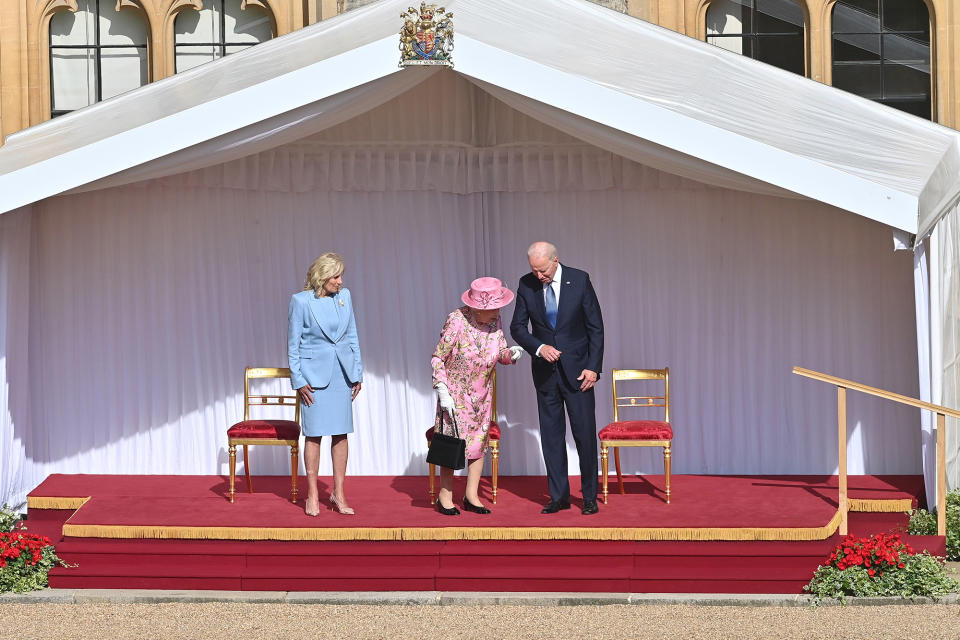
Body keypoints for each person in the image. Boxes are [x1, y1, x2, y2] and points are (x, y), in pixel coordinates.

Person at [510, 242, 604, 515]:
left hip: (579, 373)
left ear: (555, 261)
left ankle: (588, 497)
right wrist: (539, 348)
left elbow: (595, 327)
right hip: (545, 374)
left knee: (584, 436)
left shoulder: (580, 279)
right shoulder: (526, 284)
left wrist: (593, 368)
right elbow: (518, 326)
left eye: (542, 270)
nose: (539, 276)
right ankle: (559, 496)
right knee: (551, 437)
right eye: (534, 270)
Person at [431, 277, 524, 515]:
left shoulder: (495, 322)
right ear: (476, 308)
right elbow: (438, 357)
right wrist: (442, 389)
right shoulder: (457, 320)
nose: (497, 312)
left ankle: (471, 496)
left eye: (498, 307)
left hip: (482, 395)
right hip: (454, 395)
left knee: (478, 443)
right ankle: (445, 496)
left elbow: (498, 353)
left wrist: (510, 354)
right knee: (453, 445)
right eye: (492, 308)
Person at [288, 253, 363, 516]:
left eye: (341, 276)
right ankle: (311, 494)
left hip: (341, 374)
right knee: (314, 433)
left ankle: (338, 493)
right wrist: (298, 380)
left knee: (341, 433)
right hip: (313, 378)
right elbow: (293, 344)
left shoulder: (345, 297)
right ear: (322, 277)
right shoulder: (301, 301)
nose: (341, 281)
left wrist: (357, 373)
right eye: (336, 276)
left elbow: (352, 334)